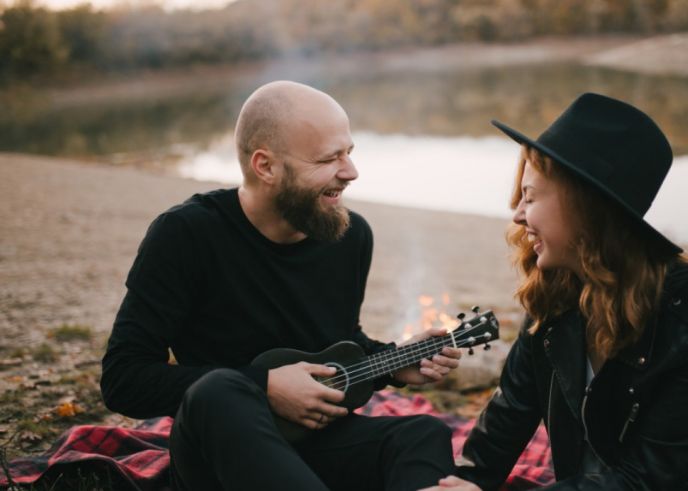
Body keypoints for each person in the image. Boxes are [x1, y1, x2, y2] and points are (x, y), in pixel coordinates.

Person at [423, 93, 688, 490]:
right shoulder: (557, 292)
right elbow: (511, 412)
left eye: (530, 198)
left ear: (586, 208)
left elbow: (646, 477)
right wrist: (468, 480)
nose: (516, 214)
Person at [100, 81, 462, 491]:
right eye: (329, 158)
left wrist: (394, 364)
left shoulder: (350, 236)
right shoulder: (186, 234)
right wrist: (264, 387)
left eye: (349, 153)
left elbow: (337, 341)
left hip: (311, 445)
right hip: (220, 451)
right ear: (266, 166)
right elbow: (123, 379)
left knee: (423, 433)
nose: (350, 172)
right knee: (218, 391)